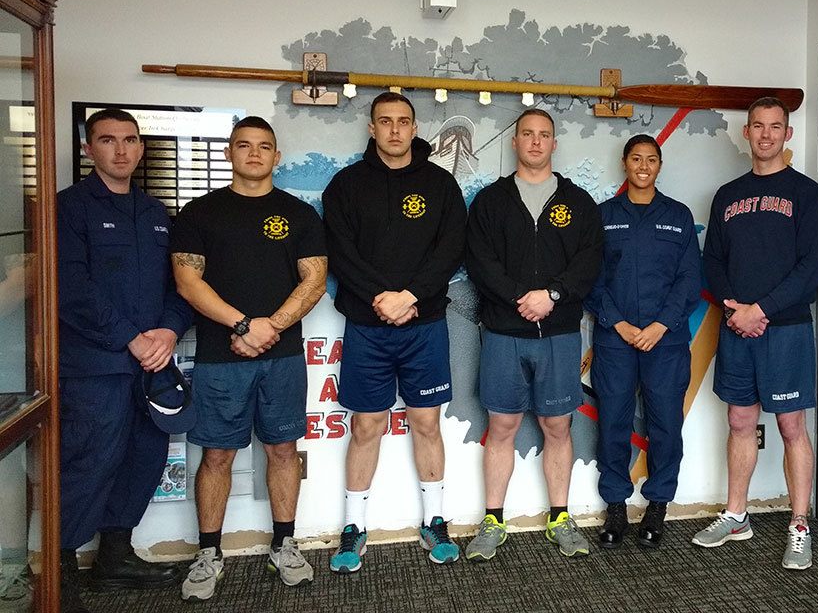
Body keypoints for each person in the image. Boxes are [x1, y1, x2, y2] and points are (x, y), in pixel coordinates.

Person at [170, 117, 327, 602]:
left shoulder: (300, 215)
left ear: (277, 156)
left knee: (282, 450)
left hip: (282, 358)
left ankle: (284, 543)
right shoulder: (198, 213)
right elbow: (187, 282)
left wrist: (269, 327)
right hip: (222, 357)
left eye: (264, 147)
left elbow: (314, 280)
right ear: (228, 153)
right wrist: (243, 325)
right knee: (217, 455)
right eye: (244, 145)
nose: (254, 154)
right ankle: (209, 553)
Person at [322, 92, 467, 573]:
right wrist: (380, 299)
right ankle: (354, 527)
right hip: (367, 326)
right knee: (366, 426)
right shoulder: (345, 186)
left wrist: (410, 298)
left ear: (414, 126)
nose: (394, 130)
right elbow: (340, 253)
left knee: (427, 423)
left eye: (403, 121)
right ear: (371, 127)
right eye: (385, 121)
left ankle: (435, 519)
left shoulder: (441, 185)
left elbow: (449, 251)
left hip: (423, 326)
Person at [56, 109, 193, 612]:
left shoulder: (157, 213)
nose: (121, 150)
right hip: (96, 367)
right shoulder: (68, 209)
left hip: (152, 366)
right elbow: (71, 290)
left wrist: (169, 329)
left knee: (143, 458)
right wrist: (130, 338)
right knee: (87, 463)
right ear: (88, 148)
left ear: (140, 148)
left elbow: (181, 286)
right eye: (107, 140)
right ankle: (61, 571)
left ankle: (115, 556)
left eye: (130, 140)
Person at [694, 97, 818, 571]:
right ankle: (736, 515)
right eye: (758, 126)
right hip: (737, 327)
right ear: (747, 133)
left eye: (776, 127)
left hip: (785, 328)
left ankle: (798, 525)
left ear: (787, 135)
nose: (767, 134)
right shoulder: (727, 194)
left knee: (792, 426)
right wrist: (736, 308)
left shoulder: (807, 195)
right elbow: (712, 260)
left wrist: (762, 309)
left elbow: (813, 266)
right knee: (739, 421)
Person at [463, 108, 603, 560]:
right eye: (528, 134)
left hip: (559, 334)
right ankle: (492, 520)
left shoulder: (578, 202)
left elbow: (588, 261)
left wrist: (554, 296)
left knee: (557, 426)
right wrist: (522, 298)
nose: (536, 142)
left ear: (554, 143)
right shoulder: (491, 202)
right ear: (516, 141)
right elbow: (481, 262)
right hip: (504, 332)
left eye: (545, 135)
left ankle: (560, 517)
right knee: (501, 426)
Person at [585, 134, 701, 549]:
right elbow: (591, 278)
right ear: (624, 163)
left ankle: (657, 506)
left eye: (652, 160)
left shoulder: (679, 216)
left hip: (665, 342)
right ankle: (615, 506)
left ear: (659, 165)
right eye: (636, 159)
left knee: (665, 425)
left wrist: (660, 325)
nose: (644, 166)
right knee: (613, 421)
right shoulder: (602, 216)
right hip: (615, 340)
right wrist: (617, 323)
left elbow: (690, 280)